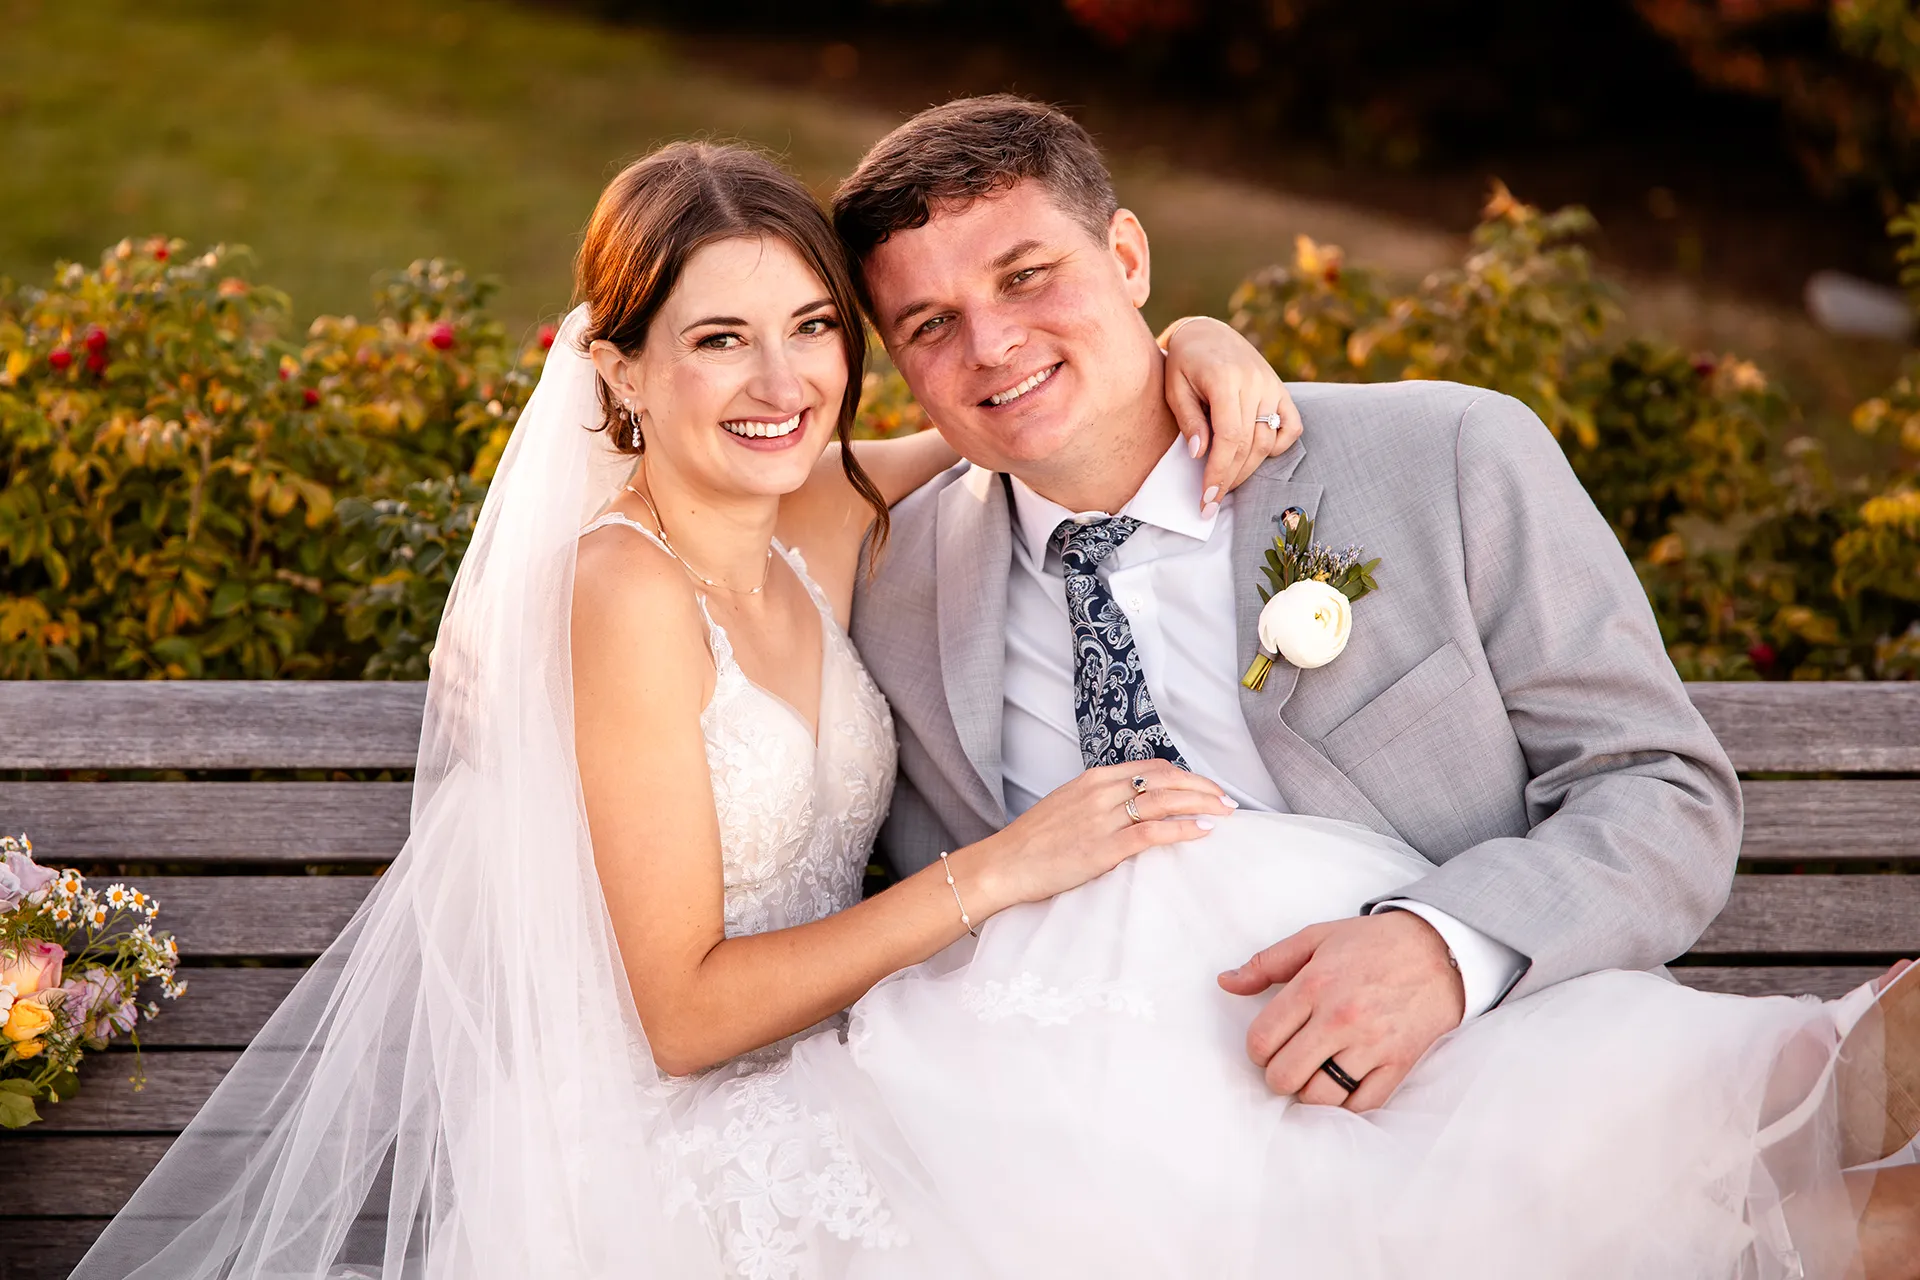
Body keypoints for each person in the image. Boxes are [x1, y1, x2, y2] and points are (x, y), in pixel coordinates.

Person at [66, 140, 1292, 1280]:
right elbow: (684, 1017)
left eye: (813, 325)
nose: (784, 381)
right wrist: (1003, 868)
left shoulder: (810, 509)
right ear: (619, 365)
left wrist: (1192, 339)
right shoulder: (625, 591)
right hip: (678, 1143)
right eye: (719, 339)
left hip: (842, 1068)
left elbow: (1034, 411)